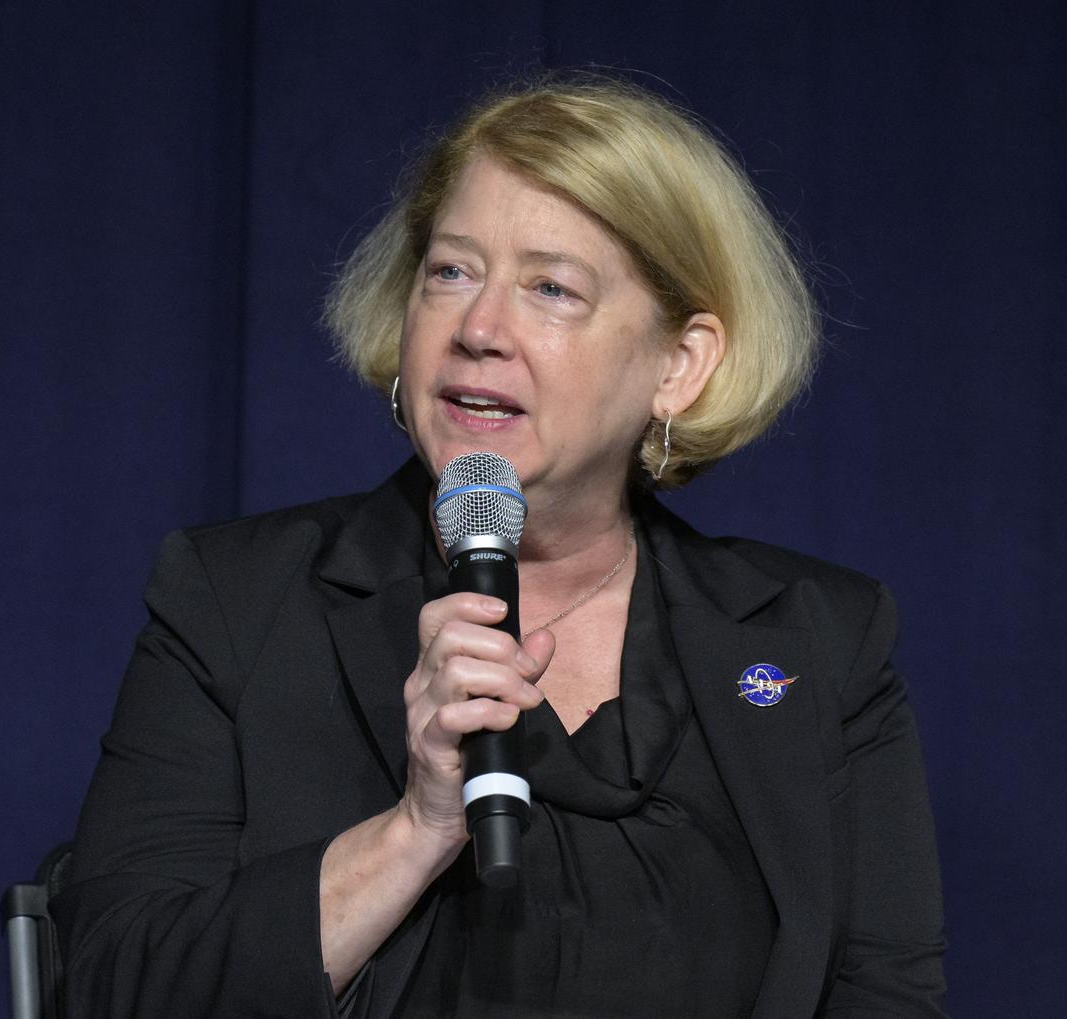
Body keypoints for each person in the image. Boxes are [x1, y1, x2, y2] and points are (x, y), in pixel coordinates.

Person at [52, 75, 946, 1016]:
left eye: (552, 288)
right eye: (450, 272)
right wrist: (415, 828)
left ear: (678, 364)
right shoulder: (236, 600)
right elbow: (119, 987)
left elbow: (883, 990)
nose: (478, 330)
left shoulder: (818, 640)